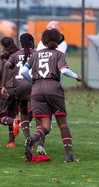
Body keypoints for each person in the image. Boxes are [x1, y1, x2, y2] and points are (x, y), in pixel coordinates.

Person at [21, 28, 82, 163]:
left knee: (45, 127)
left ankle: (32, 139)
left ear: (43, 40)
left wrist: (35, 82)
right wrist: (77, 76)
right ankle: (68, 156)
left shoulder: (35, 55)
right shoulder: (58, 54)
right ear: (59, 40)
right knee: (63, 125)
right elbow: (64, 70)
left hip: (36, 91)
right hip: (53, 88)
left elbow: (24, 72)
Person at [1, 33, 35, 142]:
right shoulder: (36, 53)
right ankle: (40, 143)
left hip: (19, 87)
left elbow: (6, 66)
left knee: (23, 113)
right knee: (37, 111)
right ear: (32, 42)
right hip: (33, 85)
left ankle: (27, 138)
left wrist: (3, 86)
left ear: (20, 43)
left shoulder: (15, 55)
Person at [0, 37, 19, 148]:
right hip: (18, 88)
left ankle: (14, 123)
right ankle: (11, 142)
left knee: (2, 117)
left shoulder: (1, 57)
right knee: (12, 114)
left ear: (3, 46)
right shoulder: (18, 55)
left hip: (4, 88)